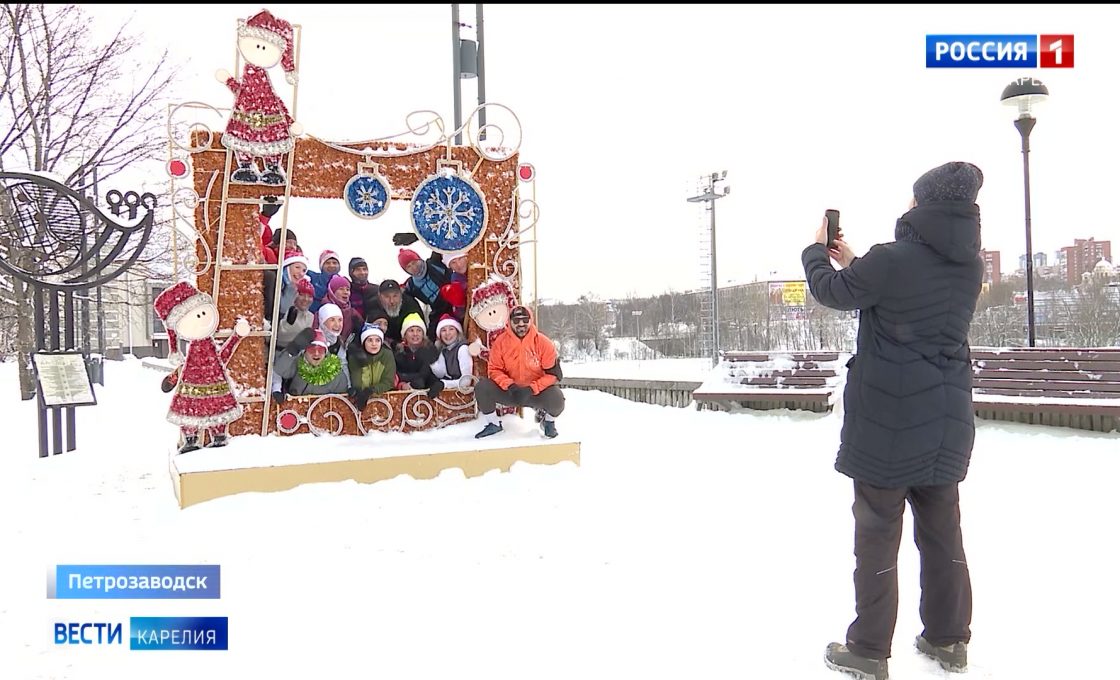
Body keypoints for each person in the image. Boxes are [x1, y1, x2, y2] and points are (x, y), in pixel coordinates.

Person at [803, 162, 985, 680]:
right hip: (946, 419)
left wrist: (818, 252)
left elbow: (834, 292)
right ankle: (948, 640)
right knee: (943, 533)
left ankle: (867, 650)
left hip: (888, 421)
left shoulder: (892, 261)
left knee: (878, 535)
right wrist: (856, 259)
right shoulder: (967, 267)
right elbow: (905, 295)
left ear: (924, 205)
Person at [473, 305, 564, 439]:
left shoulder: (544, 343)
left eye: (525, 320)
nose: (521, 324)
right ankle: (493, 424)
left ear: (530, 321)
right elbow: (494, 370)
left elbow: (553, 375)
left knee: (557, 399)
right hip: (510, 392)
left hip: (534, 393)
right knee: (482, 387)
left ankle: (548, 422)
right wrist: (510, 385)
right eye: (516, 320)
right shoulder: (500, 343)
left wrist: (532, 389)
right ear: (510, 322)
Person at [271, 328, 349, 400]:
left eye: (321, 350)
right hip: (296, 410)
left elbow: (341, 401)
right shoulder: (298, 362)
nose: (316, 353)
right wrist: (292, 349)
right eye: (312, 349)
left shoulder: (335, 371)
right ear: (305, 352)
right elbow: (279, 369)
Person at [397, 248, 452, 341]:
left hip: (453, 296)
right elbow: (401, 293)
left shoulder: (434, 262)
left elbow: (440, 244)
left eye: (414, 263)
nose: (413, 268)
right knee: (431, 334)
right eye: (409, 267)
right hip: (438, 308)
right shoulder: (412, 285)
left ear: (419, 259)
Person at [346, 324, 397, 409]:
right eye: (370, 340)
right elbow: (356, 380)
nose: (374, 344)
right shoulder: (356, 357)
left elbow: (388, 381)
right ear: (364, 342)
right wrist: (359, 392)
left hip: (383, 400)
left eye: (377, 340)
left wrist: (371, 391)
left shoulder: (387, 355)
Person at [393, 313, 441, 397]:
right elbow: (396, 373)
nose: (415, 334)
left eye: (419, 330)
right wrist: (402, 384)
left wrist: (411, 382)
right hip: (403, 394)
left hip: (427, 394)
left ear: (423, 334)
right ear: (405, 335)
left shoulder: (430, 350)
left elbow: (426, 373)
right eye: (411, 330)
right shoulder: (398, 352)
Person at [371, 279, 423, 348]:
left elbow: (420, 330)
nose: (392, 301)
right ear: (380, 297)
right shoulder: (372, 306)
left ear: (401, 295)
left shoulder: (411, 304)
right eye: (387, 297)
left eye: (395, 296)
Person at [429, 314, 474, 394]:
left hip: (465, 393)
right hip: (453, 391)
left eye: (451, 329)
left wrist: (445, 384)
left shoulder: (463, 349)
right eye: (443, 330)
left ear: (457, 331)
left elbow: (467, 381)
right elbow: (441, 373)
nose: (447, 333)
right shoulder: (445, 351)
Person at [275, 277, 314, 353]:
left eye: (310, 296)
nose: (306, 299)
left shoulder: (310, 317)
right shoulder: (284, 311)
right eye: (302, 294)